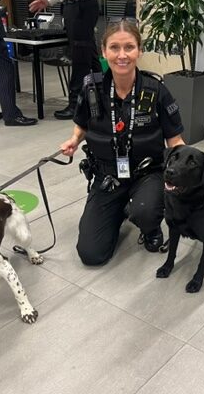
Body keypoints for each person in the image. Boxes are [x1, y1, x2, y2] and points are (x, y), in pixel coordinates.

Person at [59, 20, 185, 265]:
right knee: (91, 255)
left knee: (146, 211)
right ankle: (119, 210)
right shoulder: (92, 89)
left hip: (148, 173)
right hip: (108, 175)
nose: (122, 55)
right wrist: (74, 139)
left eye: (129, 47)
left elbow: (175, 140)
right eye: (114, 48)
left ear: (139, 50)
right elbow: (82, 124)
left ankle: (150, 226)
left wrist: (187, 173)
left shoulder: (156, 90)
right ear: (104, 51)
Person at [30, 0, 102, 120]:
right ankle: (100, 97)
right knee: (89, 57)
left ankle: (76, 105)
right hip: (75, 6)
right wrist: (48, 0)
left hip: (81, 6)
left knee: (80, 58)